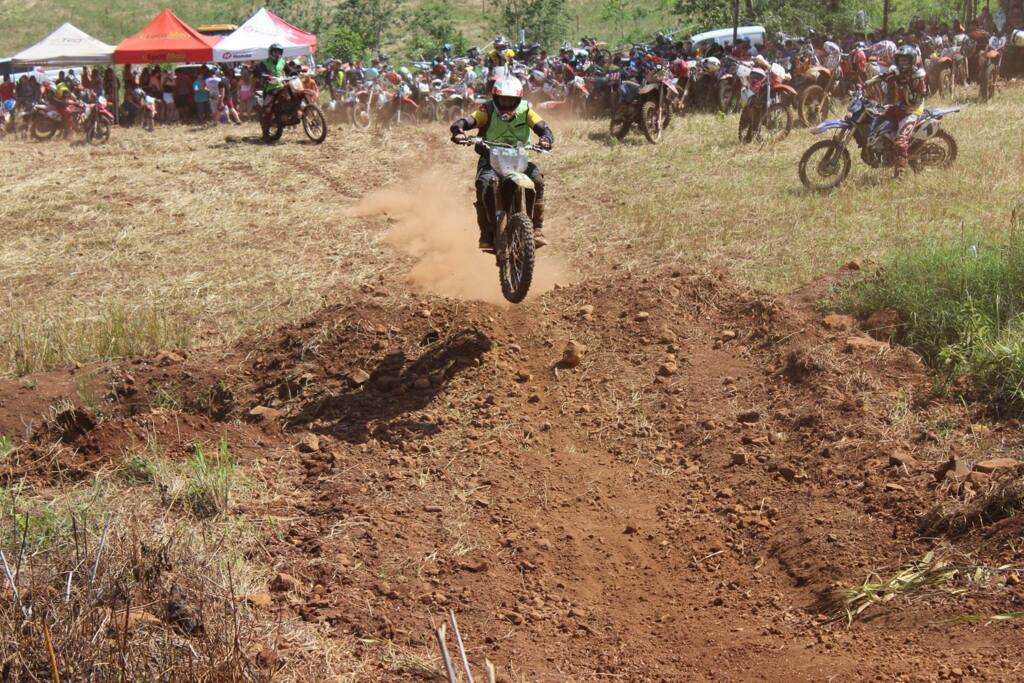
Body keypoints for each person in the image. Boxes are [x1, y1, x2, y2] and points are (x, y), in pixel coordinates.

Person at [449, 77, 554, 250]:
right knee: (484, 184)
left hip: (519, 159)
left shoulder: (526, 110)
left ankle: (537, 229)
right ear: (496, 97)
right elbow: (467, 121)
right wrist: (458, 131)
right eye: (503, 99)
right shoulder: (487, 109)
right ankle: (487, 231)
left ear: (518, 99)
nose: (506, 103)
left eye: (510, 100)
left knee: (538, 181)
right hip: (490, 158)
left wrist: (546, 138)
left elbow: (543, 127)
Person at [866, 44, 927, 177]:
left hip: (913, 109)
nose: (902, 63)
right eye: (900, 60)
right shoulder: (895, 71)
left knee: (901, 140)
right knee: (877, 118)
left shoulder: (917, 75)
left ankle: (900, 172)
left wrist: (904, 85)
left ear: (911, 61)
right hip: (899, 105)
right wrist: (867, 83)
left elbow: (915, 99)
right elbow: (882, 76)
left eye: (905, 60)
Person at [253, 43, 287, 127]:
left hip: (281, 86)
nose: (277, 54)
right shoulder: (264, 62)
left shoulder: (282, 61)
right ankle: (266, 133)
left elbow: (289, 70)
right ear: (271, 52)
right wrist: (266, 76)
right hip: (270, 88)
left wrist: (298, 72)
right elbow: (259, 71)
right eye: (275, 52)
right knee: (267, 110)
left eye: (279, 52)